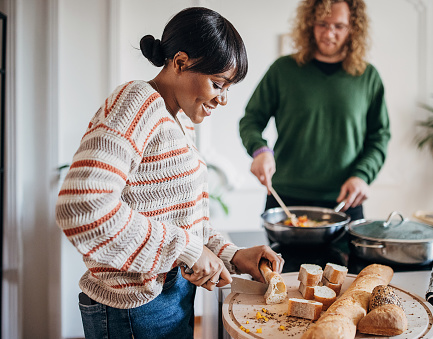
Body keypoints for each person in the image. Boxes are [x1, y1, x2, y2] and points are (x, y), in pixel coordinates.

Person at [55, 7, 283, 339]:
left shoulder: (177, 123)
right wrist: (186, 250)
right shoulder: (136, 102)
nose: (223, 99)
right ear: (179, 62)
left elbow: (180, 223)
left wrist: (232, 254)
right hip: (133, 310)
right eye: (218, 83)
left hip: (169, 299)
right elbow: (83, 204)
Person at [239, 0, 390, 221]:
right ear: (310, 24)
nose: (329, 34)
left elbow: (380, 137)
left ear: (353, 28)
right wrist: (259, 151)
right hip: (287, 199)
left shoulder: (368, 77)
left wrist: (362, 176)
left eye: (339, 26)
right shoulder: (282, 70)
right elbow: (251, 120)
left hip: (345, 200)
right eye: (322, 24)